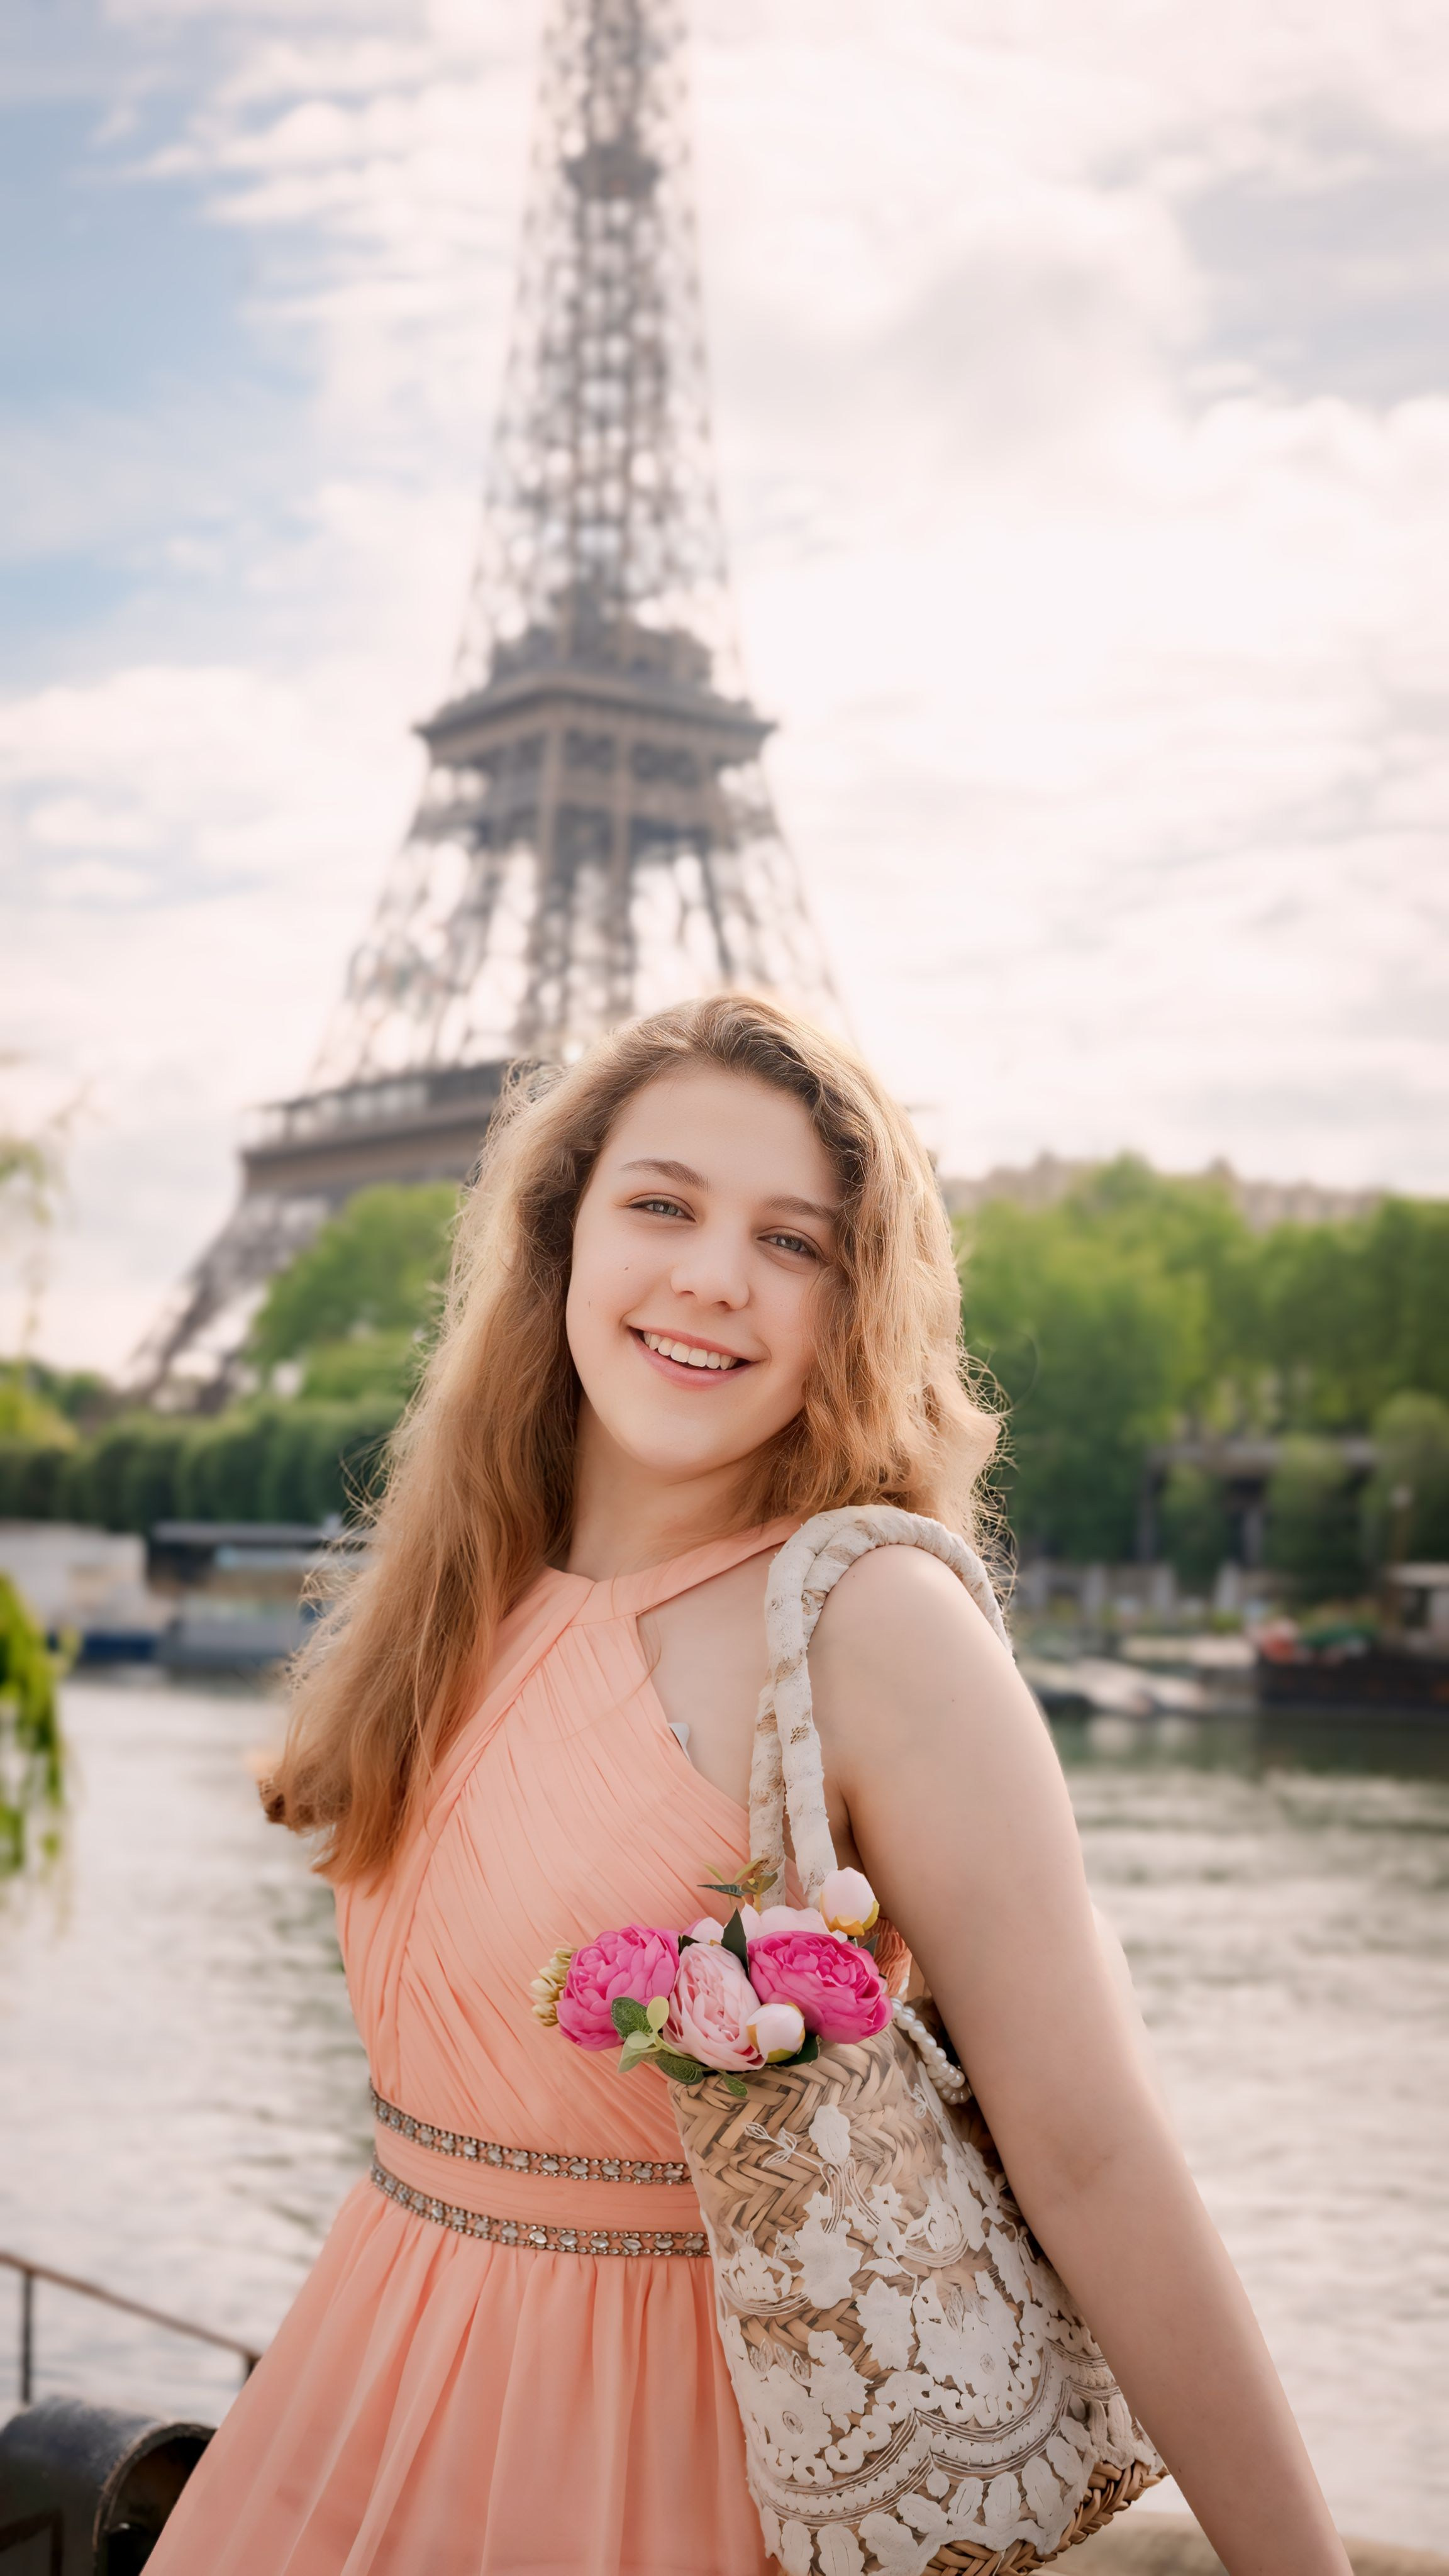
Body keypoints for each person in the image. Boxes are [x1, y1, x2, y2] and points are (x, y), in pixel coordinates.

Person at [150, 995, 1350, 2576]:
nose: (714, 1273)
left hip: (676, 2471)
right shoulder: (456, 1590)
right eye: (662, 1203)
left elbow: (1095, 2152)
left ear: (855, 1304)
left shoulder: (872, 1624)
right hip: (359, 2409)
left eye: (795, 1240)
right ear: (559, 1232)